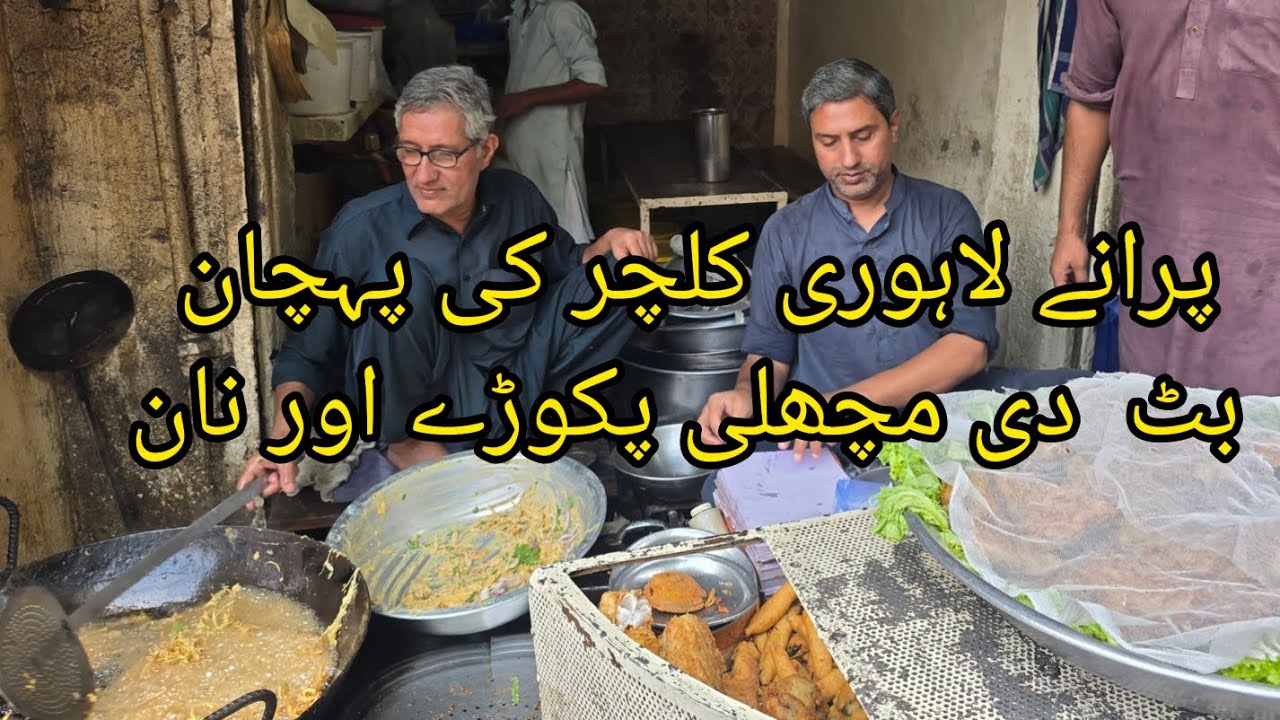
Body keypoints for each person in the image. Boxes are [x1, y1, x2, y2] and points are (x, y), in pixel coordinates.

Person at [238, 65, 655, 501]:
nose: (423, 174)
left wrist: (605, 246)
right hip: (417, 405)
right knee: (400, 287)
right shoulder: (360, 230)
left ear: (486, 150)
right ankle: (406, 445)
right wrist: (283, 440)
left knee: (625, 276)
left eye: (443, 154)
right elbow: (306, 353)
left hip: (514, 382)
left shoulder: (518, 198)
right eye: (410, 152)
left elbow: (565, 270)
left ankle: (534, 425)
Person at [695, 58, 999, 459]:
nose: (849, 159)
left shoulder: (947, 214)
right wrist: (746, 393)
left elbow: (969, 345)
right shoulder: (786, 231)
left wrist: (844, 403)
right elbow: (769, 351)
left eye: (863, 135)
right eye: (829, 142)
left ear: (893, 125)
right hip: (821, 439)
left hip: (928, 430)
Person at [1052, 0, 1280, 395]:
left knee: (1257, 437)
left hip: (1266, 266)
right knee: (1151, 417)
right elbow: (1091, 98)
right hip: (1152, 260)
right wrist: (1070, 230)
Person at [495, 0, 606, 245]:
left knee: (568, 239)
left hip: (554, 153)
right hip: (520, 149)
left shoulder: (561, 12)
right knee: (532, 238)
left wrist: (525, 99)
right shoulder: (518, 13)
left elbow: (593, 81)